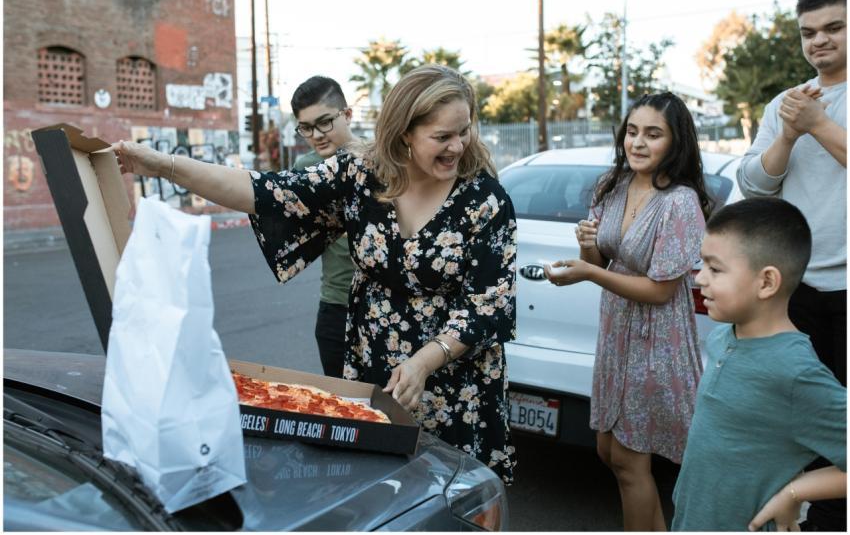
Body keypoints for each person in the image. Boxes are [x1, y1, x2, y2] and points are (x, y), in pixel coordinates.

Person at [112, 64, 518, 483]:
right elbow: (263, 191)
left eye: (464, 131)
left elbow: (486, 306)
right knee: (376, 496)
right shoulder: (359, 174)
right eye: (442, 137)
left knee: (453, 501)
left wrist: (423, 362)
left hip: (457, 385)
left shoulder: (485, 201)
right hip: (374, 369)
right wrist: (163, 166)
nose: (458, 146)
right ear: (404, 134)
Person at [545, 92, 712, 530]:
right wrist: (587, 247)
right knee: (608, 451)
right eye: (632, 132)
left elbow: (660, 291)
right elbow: (600, 260)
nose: (637, 143)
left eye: (653, 134)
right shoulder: (614, 185)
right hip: (617, 333)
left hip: (657, 339)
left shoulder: (679, 201)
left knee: (629, 460)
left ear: (676, 144)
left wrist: (587, 272)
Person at [736, 0, 846, 531]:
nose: (818, 41)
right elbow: (756, 186)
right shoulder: (787, 102)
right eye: (808, 33)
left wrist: (820, 125)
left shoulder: (819, 109)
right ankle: (800, 515)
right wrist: (787, 132)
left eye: (833, 27)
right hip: (797, 288)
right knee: (799, 416)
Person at [671, 197, 847, 532]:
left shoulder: (795, 372)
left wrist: (795, 492)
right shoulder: (723, 336)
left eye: (715, 269)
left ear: (766, 282)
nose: (699, 279)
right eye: (702, 264)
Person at [288, 76, 357, 378]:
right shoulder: (306, 168)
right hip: (335, 308)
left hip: (388, 311)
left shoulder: (383, 160)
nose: (316, 135)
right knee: (342, 414)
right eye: (306, 127)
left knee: (389, 415)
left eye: (325, 122)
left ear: (348, 114)